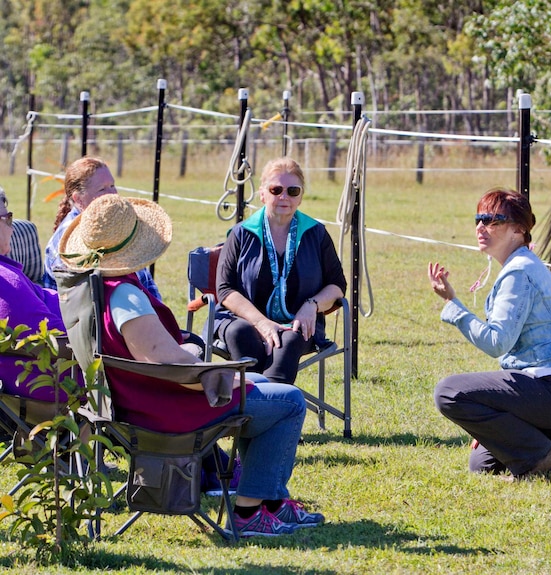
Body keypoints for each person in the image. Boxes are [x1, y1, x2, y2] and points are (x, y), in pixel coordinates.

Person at [58, 194, 323, 537]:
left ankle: (268, 502)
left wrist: (223, 371)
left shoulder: (94, 288)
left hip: (134, 399)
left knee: (261, 383)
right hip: (160, 409)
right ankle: (249, 512)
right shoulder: (126, 296)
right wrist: (220, 375)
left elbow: (148, 354)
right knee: (288, 401)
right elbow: (167, 363)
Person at [428, 188, 551, 480]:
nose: (481, 227)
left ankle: (541, 461)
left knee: (448, 392)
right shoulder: (520, 264)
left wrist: (455, 308)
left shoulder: (519, 272)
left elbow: (496, 343)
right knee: (482, 463)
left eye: (492, 220)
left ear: (518, 229)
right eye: (478, 219)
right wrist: (491, 426)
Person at [44, 156, 204, 356]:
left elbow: (146, 284)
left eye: (112, 185)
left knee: (195, 343)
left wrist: (161, 327)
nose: (112, 194)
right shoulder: (69, 244)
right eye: (102, 189)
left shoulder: (115, 228)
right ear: (77, 199)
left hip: (130, 324)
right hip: (103, 338)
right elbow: (87, 305)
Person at [214, 156, 347, 383]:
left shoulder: (316, 233)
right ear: (263, 194)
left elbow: (337, 285)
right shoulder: (241, 233)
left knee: (291, 339)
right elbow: (225, 289)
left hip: (297, 323)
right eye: (276, 189)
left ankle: (267, 406)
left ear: (301, 196)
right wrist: (261, 322)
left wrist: (311, 306)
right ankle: (259, 405)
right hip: (243, 321)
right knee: (241, 334)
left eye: (293, 190)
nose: (284, 196)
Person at [0, 187, 71, 403]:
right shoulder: (5, 283)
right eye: (8, 218)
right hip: (55, 391)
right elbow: (54, 339)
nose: (12, 229)